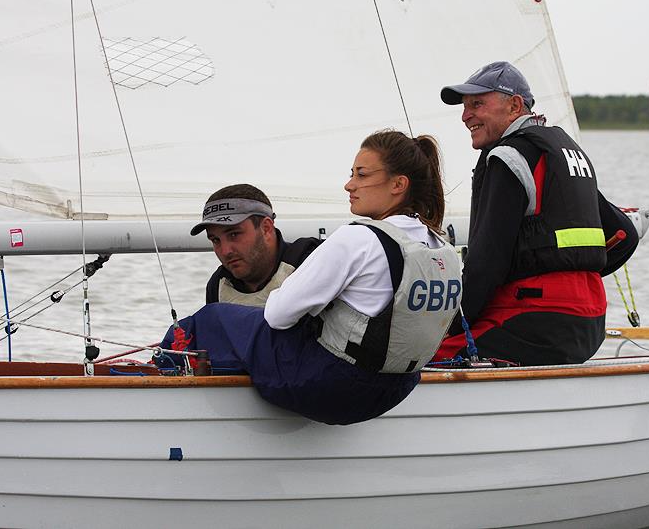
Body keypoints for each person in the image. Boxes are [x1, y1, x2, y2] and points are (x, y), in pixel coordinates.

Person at [160, 130, 462, 425]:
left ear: (398, 184)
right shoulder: (442, 248)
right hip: (396, 389)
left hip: (333, 386)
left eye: (362, 175)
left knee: (211, 319)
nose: (349, 185)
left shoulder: (359, 238)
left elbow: (277, 315)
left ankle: (156, 374)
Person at [434, 61, 638, 366]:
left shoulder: (507, 157)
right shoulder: (566, 153)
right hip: (590, 323)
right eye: (464, 107)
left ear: (515, 105)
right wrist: (577, 272)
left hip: (533, 322)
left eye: (477, 104)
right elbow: (626, 235)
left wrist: (447, 327)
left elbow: (486, 262)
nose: (465, 116)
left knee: (427, 354)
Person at [190, 184, 321, 307]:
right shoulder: (218, 285)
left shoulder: (311, 266)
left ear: (266, 228)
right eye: (215, 240)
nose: (225, 251)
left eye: (234, 235)